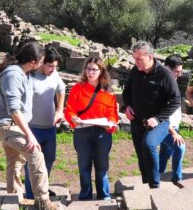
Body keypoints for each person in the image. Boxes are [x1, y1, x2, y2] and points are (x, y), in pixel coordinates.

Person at [0, 42, 60, 210]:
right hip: (6, 125)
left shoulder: (23, 72)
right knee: (35, 153)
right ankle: (42, 200)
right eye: (42, 60)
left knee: (15, 159)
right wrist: (30, 135)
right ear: (33, 62)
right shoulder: (13, 75)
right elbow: (14, 109)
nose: (44, 63)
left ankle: (13, 198)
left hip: (12, 124)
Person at [122, 41, 181, 189]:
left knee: (149, 145)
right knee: (141, 154)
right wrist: (127, 106)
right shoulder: (135, 71)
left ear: (150, 57)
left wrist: (158, 118)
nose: (136, 63)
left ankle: (155, 185)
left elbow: (176, 100)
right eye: (134, 59)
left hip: (159, 121)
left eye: (139, 59)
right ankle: (146, 183)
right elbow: (126, 92)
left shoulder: (165, 74)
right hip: (137, 121)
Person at [64, 56, 119, 201]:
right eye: (88, 69)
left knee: (102, 167)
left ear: (101, 71)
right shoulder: (77, 88)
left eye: (94, 69)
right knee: (84, 166)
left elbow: (112, 113)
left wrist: (112, 123)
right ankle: (85, 196)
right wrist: (73, 118)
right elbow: (69, 110)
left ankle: (104, 196)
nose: (91, 72)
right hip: (83, 131)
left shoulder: (107, 92)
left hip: (102, 132)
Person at [23, 48, 65, 200]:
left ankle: (43, 189)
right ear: (41, 63)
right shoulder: (29, 76)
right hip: (32, 128)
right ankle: (30, 194)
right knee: (33, 162)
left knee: (49, 158)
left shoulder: (54, 74)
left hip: (50, 127)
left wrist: (60, 109)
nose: (53, 70)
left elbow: (61, 89)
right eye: (50, 66)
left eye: (55, 67)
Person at [158, 55, 186, 187]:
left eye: (181, 72)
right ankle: (177, 177)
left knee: (165, 153)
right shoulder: (161, 85)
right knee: (180, 147)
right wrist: (173, 132)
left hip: (174, 126)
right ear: (167, 69)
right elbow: (160, 114)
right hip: (165, 127)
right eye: (177, 72)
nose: (179, 75)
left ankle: (156, 177)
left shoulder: (173, 81)